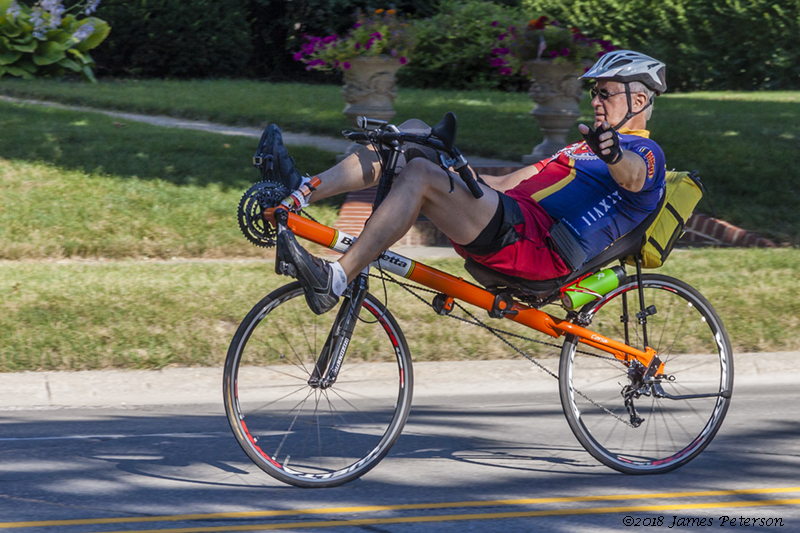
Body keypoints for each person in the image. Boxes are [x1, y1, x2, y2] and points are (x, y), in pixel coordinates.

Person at [275, 50, 668, 315]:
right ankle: (302, 189)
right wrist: (456, 170)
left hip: (541, 249)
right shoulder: (579, 149)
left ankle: (337, 278)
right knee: (412, 135)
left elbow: (632, 176)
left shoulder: (646, 155)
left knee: (421, 175)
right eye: (594, 93)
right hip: (513, 221)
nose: (596, 100)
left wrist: (614, 153)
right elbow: (511, 181)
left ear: (637, 102)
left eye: (606, 93)